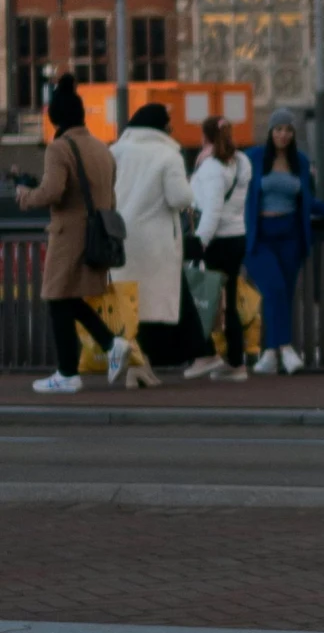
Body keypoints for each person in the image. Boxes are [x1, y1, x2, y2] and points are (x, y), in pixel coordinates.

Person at [18, 73, 137, 395]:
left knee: (57, 298)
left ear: (55, 116)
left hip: (68, 233)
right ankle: (111, 345)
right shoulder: (102, 148)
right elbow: (110, 196)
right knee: (69, 298)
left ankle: (68, 373)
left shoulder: (60, 147)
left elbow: (53, 191)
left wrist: (26, 196)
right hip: (96, 232)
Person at [112, 101, 209, 375]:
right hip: (156, 241)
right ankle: (146, 365)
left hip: (121, 237)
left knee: (132, 302)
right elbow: (179, 197)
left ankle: (138, 367)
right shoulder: (168, 155)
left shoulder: (116, 151)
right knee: (158, 302)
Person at [243, 107, 324, 374]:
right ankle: (285, 347)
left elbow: (308, 201)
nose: (283, 135)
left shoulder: (301, 162)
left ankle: (271, 355)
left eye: (288, 130)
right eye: (279, 129)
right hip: (260, 236)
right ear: (270, 132)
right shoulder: (254, 158)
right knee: (272, 289)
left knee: (284, 293)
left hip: (290, 235)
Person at [190, 113, 252, 380]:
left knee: (199, 298)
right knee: (229, 301)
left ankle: (205, 354)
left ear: (205, 137)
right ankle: (237, 362)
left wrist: (200, 242)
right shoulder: (241, 162)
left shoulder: (212, 168)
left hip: (217, 239)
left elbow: (212, 209)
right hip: (237, 235)